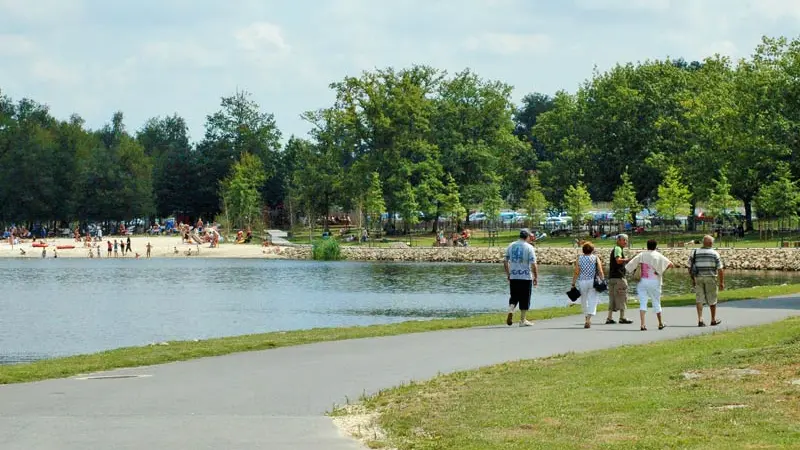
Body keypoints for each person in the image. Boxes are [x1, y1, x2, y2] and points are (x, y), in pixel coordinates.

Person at [625, 239, 673, 331]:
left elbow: (629, 265)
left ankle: (643, 324)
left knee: (643, 302)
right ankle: (660, 323)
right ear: (655, 246)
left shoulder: (642, 255)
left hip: (643, 281)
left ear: (647, 246)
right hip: (654, 281)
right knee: (656, 302)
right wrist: (660, 271)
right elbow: (670, 264)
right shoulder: (658, 255)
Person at [503, 228, 538, 327]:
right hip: (525, 277)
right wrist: (536, 277)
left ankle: (511, 310)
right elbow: (533, 264)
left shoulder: (511, 245)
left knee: (514, 296)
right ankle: (522, 320)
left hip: (514, 276)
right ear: (527, 236)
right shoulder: (529, 247)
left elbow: (505, 261)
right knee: (525, 298)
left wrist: (508, 274)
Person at [689, 235, 724, 327]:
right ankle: (713, 319)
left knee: (699, 298)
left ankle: (700, 319)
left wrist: (693, 279)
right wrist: (721, 282)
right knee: (712, 299)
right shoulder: (715, 253)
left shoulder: (694, 252)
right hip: (711, 278)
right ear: (711, 243)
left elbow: (690, 267)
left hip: (698, 278)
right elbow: (720, 269)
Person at [571, 242, 604, 328]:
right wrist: (603, 280)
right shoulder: (595, 258)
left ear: (583, 250)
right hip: (592, 281)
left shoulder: (580, 258)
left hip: (582, 281)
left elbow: (577, 271)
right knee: (593, 299)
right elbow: (600, 270)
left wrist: (573, 282)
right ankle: (589, 318)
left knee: (584, 300)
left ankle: (586, 317)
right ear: (592, 250)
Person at [606, 234, 634, 325]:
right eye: (623, 240)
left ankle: (609, 318)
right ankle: (622, 317)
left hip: (612, 278)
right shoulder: (618, 249)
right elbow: (618, 260)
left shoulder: (616, 249)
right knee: (622, 297)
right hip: (619, 278)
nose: (625, 242)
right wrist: (628, 259)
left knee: (612, 298)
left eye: (626, 240)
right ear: (618, 240)